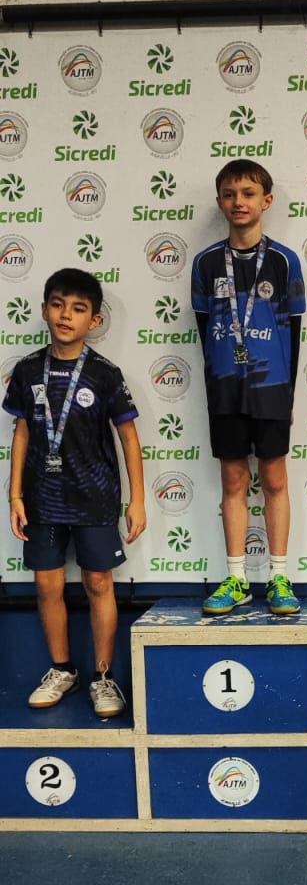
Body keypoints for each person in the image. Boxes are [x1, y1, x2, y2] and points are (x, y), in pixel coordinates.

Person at [3, 268, 145, 717]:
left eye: (78, 309)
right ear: (45, 310)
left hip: (95, 497)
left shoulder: (104, 374)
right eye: (58, 304)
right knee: (47, 585)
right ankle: (62, 670)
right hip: (42, 498)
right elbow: (22, 432)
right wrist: (15, 495)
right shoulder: (27, 370)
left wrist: (137, 500)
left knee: (98, 583)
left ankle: (103, 677)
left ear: (94, 321)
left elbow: (129, 438)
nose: (66, 315)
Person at [192, 160, 305, 616]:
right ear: (220, 202)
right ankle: (237, 578)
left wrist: (288, 393)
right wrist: (217, 381)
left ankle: (278, 575)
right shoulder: (205, 263)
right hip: (225, 387)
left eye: (248, 193)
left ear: (267, 201)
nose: (239, 202)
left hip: (271, 386)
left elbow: (294, 333)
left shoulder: (284, 261)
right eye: (230, 194)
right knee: (233, 480)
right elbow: (203, 331)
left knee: (275, 479)